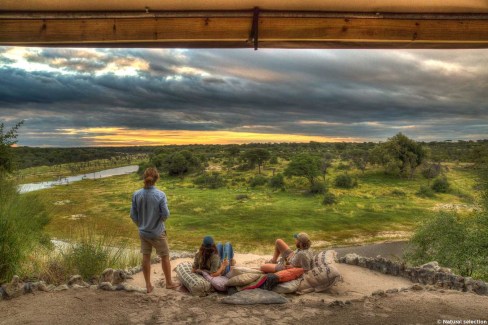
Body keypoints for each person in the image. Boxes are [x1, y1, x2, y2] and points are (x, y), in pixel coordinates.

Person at [130, 167, 179, 293]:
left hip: (143, 232)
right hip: (157, 232)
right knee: (165, 256)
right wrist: (158, 223)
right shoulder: (160, 195)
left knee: (146, 257)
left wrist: (141, 224)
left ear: (144, 178)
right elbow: (166, 214)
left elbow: (133, 215)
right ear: (156, 179)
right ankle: (168, 283)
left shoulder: (136, 194)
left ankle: (148, 285)